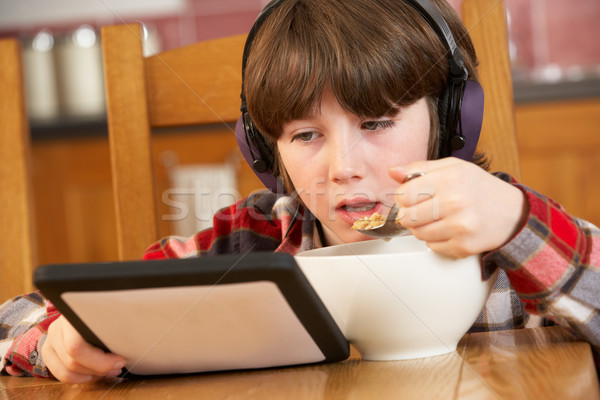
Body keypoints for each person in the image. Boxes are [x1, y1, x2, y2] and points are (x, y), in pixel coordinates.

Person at [2, 0, 599, 383]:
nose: (343, 167)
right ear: (265, 151)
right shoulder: (252, 241)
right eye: (307, 134)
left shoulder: (506, 227)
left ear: (451, 120)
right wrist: (55, 339)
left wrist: (519, 223)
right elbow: (30, 315)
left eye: (376, 123)